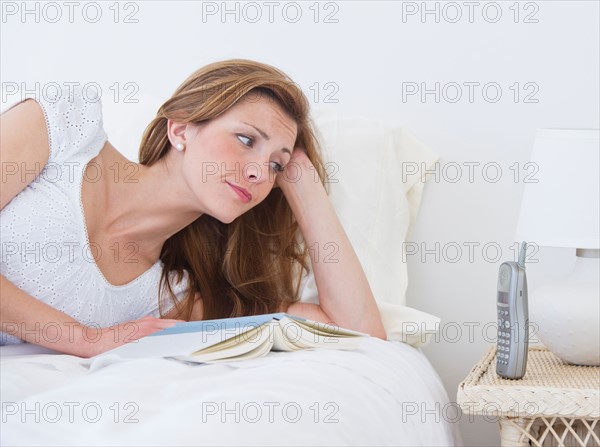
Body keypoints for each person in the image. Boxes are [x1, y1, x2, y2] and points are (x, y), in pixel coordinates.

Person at [0, 59, 386, 357]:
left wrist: (303, 184)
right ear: (181, 129)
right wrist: (85, 339)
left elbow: (359, 332)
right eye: (246, 139)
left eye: (274, 165)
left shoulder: (172, 296)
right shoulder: (64, 126)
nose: (258, 173)